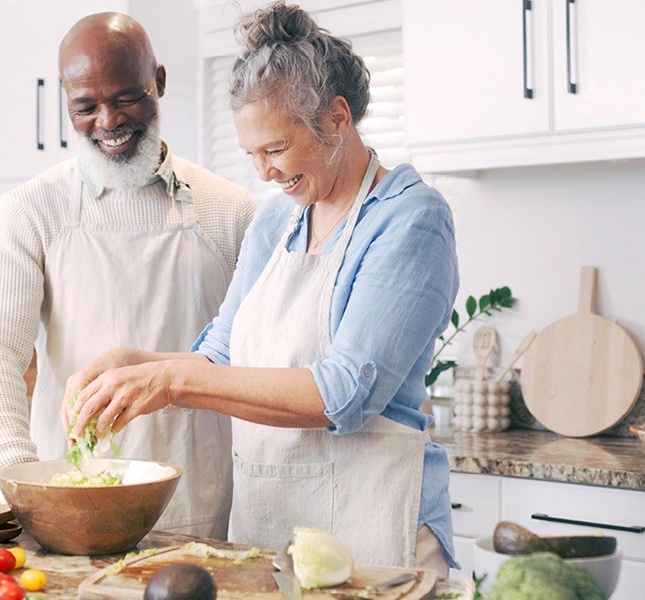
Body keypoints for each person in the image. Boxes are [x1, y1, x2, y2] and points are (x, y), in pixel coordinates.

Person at [62, 1, 459, 575]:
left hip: (375, 531)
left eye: (276, 149)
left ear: (338, 117)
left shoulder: (410, 219)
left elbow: (343, 393)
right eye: (252, 154)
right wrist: (135, 362)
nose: (264, 173)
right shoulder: (276, 222)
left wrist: (170, 381)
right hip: (273, 532)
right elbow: (221, 356)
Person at [0, 12, 256, 539]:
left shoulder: (231, 211)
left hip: (205, 511)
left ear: (159, 82)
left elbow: (256, 364)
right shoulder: (28, 211)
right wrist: (29, 490)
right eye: (86, 106)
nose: (108, 121)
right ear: (66, 102)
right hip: (70, 514)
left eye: (126, 98)